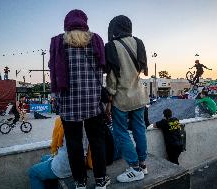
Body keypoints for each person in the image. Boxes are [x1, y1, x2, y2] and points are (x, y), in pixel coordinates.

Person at [49, 9, 109, 189]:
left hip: (68, 102)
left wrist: (56, 97)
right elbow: (102, 67)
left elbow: (53, 71)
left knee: (74, 145)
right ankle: (100, 181)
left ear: (67, 23)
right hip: (93, 101)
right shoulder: (96, 39)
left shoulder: (58, 41)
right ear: (85, 22)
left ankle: (80, 182)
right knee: (97, 142)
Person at [105, 15, 149, 183]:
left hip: (121, 99)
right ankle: (143, 164)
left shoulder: (111, 46)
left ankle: (134, 168)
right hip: (139, 96)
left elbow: (112, 77)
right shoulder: (139, 42)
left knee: (121, 132)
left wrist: (109, 97)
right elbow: (140, 70)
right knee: (140, 129)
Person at [28, 117, 72, 189]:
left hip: (67, 165)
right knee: (44, 158)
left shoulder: (61, 120)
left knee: (33, 171)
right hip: (81, 161)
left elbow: (55, 144)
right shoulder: (89, 121)